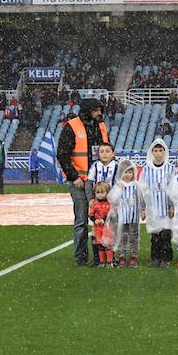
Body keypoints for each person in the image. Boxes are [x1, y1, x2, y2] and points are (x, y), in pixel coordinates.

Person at [57, 98, 109, 266]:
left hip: (99, 183)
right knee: (81, 222)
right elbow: (62, 154)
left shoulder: (101, 126)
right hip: (80, 182)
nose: (99, 113)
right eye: (96, 110)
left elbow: (107, 150)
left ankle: (100, 257)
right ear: (88, 110)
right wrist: (74, 177)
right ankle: (81, 257)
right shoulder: (71, 126)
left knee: (102, 220)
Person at [139, 138, 175, 268]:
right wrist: (142, 208)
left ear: (164, 152)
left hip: (165, 208)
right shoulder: (146, 169)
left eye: (161, 150)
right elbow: (142, 189)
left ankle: (165, 258)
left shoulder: (170, 168)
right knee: (155, 236)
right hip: (152, 208)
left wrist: (172, 205)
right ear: (152, 152)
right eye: (156, 150)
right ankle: (155, 258)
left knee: (165, 234)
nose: (158, 153)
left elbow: (173, 188)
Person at [108, 159, 147, 268]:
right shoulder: (119, 185)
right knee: (122, 236)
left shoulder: (136, 185)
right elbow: (113, 199)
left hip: (133, 217)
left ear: (133, 173)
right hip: (122, 217)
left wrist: (143, 210)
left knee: (134, 236)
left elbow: (141, 199)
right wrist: (113, 210)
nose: (128, 175)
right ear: (121, 173)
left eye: (130, 172)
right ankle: (122, 255)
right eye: (125, 172)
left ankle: (134, 255)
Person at [86, 143, 118, 267]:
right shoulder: (95, 166)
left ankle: (111, 258)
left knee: (111, 232)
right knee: (96, 232)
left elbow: (120, 183)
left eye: (107, 151)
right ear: (98, 154)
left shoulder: (117, 166)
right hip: (97, 204)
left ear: (113, 153)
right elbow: (89, 182)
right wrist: (90, 199)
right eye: (102, 151)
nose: (104, 154)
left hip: (111, 204)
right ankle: (97, 259)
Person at [88, 182, 114, 268]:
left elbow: (111, 214)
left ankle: (110, 262)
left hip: (107, 228)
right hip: (98, 228)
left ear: (107, 193)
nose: (100, 195)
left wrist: (104, 220)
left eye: (102, 192)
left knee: (108, 245)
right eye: (97, 193)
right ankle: (102, 262)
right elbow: (91, 214)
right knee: (100, 246)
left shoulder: (109, 203)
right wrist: (95, 220)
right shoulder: (94, 204)